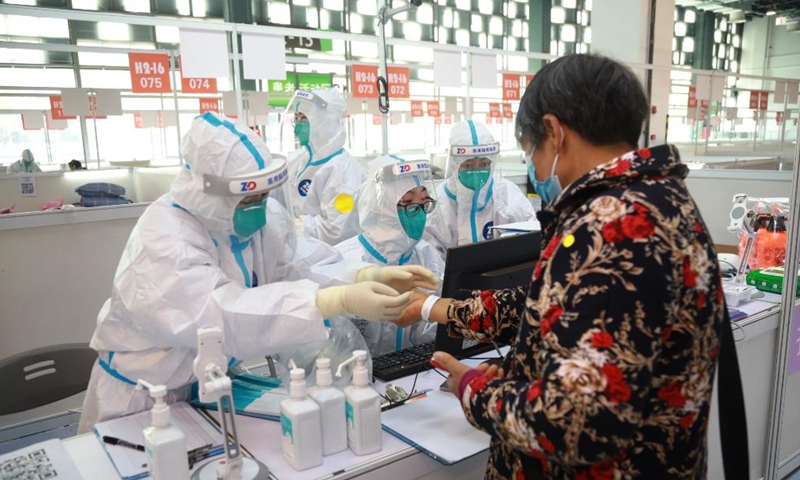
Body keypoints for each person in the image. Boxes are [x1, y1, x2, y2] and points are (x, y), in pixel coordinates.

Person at [395, 54, 727, 479]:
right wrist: (523, 369)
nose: (533, 166)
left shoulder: (617, 228)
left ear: (555, 132)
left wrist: (475, 389)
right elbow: (559, 309)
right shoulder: (654, 201)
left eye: (531, 148)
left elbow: (578, 422)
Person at [78, 112, 437, 433]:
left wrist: (360, 276)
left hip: (207, 388)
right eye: (249, 199)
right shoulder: (163, 239)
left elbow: (300, 265)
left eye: (264, 196)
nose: (260, 209)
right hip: (139, 401)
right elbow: (221, 318)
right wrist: (333, 300)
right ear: (207, 192)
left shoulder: (250, 222)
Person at [335, 155, 445, 356]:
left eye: (423, 201)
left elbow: (431, 330)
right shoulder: (346, 260)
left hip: (412, 373)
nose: (419, 212)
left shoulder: (426, 255)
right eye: (409, 202)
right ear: (382, 207)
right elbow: (336, 344)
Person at [424, 120, 534, 257]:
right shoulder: (439, 204)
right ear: (455, 164)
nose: (476, 172)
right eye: (468, 165)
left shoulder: (507, 194)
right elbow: (432, 262)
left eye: (484, 164)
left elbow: (529, 243)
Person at [272, 88, 365, 245]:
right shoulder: (298, 161)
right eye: (296, 119)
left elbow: (336, 230)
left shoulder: (345, 172)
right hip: (301, 250)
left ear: (325, 122)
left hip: (329, 261)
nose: (296, 129)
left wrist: (293, 225)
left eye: (304, 119)